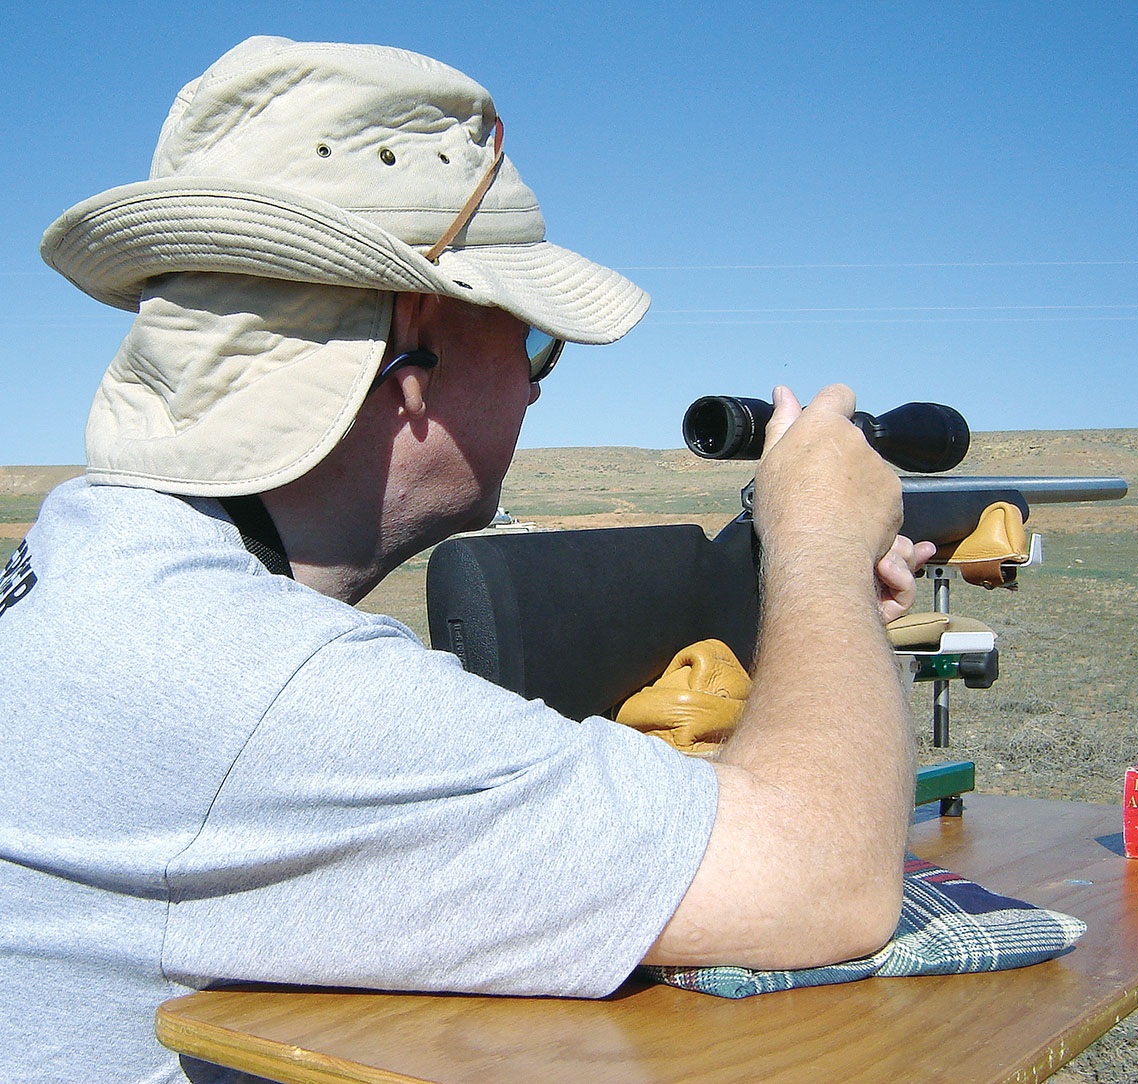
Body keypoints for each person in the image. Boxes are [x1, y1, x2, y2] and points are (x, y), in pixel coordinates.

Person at [0, 37, 932, 1084]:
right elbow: (824, 881)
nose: (536, 387)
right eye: (533, 339)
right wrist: (814, 551)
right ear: (414, 338)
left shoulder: (100, 563)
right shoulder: (258, 682)